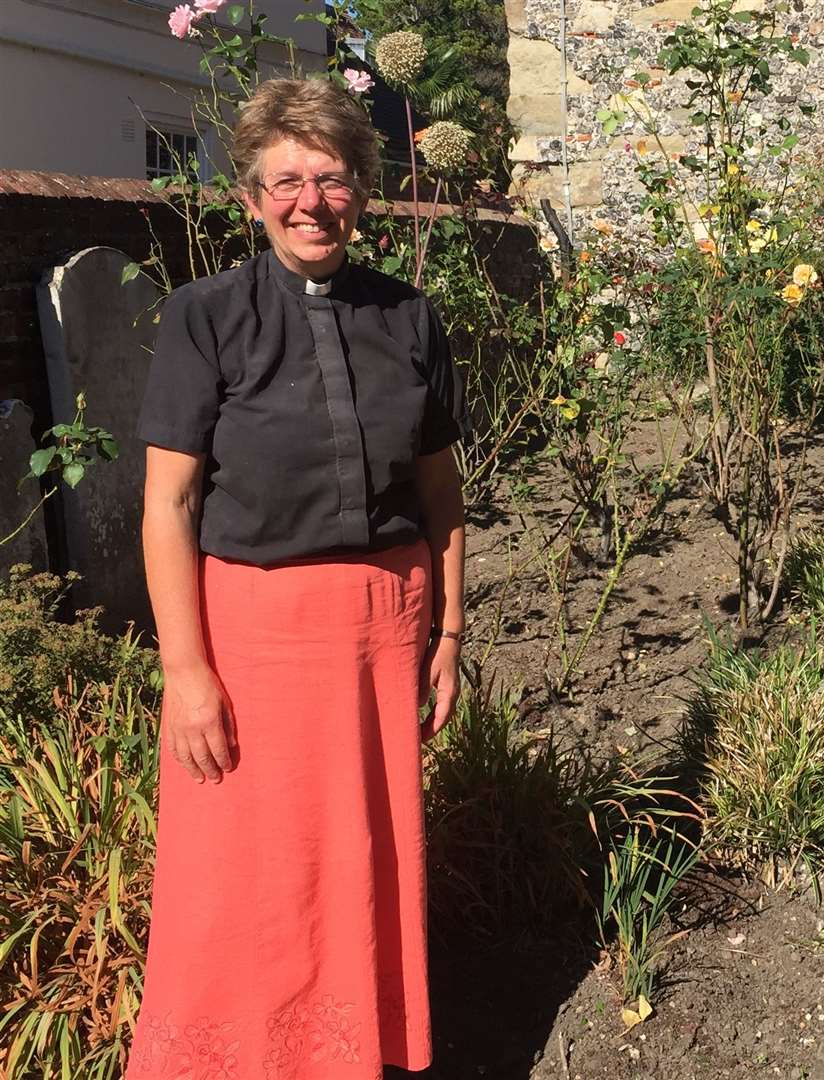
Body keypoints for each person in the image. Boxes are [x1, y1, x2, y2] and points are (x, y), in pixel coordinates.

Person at [127, 78, 466, 1079]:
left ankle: (353, 1052)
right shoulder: (206, 317)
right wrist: (185, 674)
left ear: (362, 188)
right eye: (286, 180)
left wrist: (449, 636)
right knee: (242, 878)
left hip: (380, 633)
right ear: (250, 198)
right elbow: (169, 506)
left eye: (329, 176)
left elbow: (442, 498)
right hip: (251, 643)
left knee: (361, 865)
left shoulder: (410, 319)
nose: (309, 200)